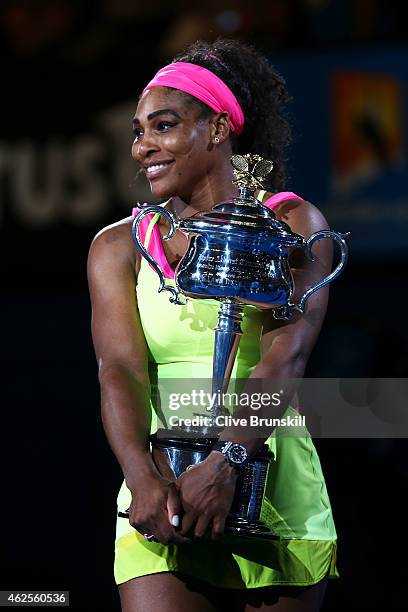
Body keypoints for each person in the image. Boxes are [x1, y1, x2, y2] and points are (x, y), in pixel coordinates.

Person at [87, 38, 339, 612]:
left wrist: (228, 460)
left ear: (219, 129)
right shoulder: (117, 247)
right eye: (138, 131)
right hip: (160, 489)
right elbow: (119, 370)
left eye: (164, 126)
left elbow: (285, 359)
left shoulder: (290, 221)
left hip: (268, 481)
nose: (141, 146)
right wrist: (141, 477)